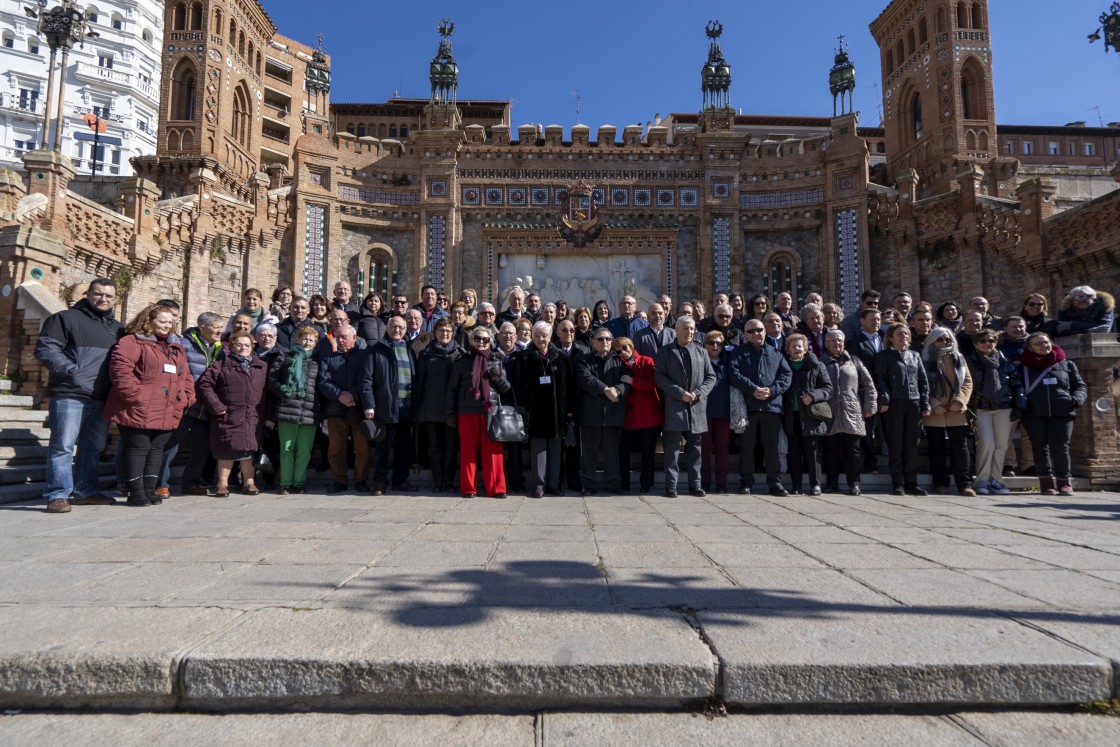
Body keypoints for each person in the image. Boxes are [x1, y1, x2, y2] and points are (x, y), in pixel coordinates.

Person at [35, 278, 124, 513]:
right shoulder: (65, 318)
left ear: (115, 299)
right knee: (63, 445)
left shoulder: (117, 328)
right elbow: (46, 348)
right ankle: (57, 494)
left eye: (108, 295)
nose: (103, 299)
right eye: (98, 294)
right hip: (70, 392)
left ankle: (85, 491)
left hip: (101, 396)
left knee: (93, 447)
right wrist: (71, 370)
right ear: (88, 294)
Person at [102, 305, 195, 507]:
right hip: (137, 407)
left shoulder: (175, 347)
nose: (167, 326)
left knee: (156, 449)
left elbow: (186, 376)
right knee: (138, 448)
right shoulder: (132, 342)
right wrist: (136, 396)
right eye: (163, 321)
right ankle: (135, 493)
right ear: (148, 320)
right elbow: (120, 369)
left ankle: (148, 490)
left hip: (167, 407)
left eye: (170, 322)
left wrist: (186, 398)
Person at [197, 330, 268, 497]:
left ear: (252, 347)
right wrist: (216, 405)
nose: (243, 347)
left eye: (247, 345)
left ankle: (249, 482)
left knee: (248, 450)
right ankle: (222, 484)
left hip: (253, 415)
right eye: (238, 344)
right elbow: (204, 385)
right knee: (226, 450)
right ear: (231, 346)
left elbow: (267, 392)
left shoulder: (261, 366)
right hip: (228, 414)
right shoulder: (221, 364)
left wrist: (267, 415)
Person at [446, 326, 512, 498]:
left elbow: (506, 389)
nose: (481, 342)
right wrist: (450, 412)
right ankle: (469, 488)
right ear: (471, 340)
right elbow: (452, 389)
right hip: (467, 411)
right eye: (477, 338)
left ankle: (497, 488)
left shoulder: (497, 360)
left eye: (485, 339)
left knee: (494, 451)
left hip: (491, 411)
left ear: (491, 340)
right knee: (468, 451)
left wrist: (497, 376)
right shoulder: (461, 361)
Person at [729, 319, 792, 496]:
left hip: (771, 407)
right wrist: (753, 389)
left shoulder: (776, 353)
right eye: (751, 331)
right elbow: (734, 374)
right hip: (748, 408)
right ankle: (746, 482)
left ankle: (775, 483)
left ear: (765, 331)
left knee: (772, 447)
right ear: (745, 334)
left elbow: (786, 376)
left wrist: (771, 391)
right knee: (747, 447)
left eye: (759, 330)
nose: (756, 333)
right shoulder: (738, 353)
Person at [1018, 332, 1086, 496]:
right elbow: (1017, 387)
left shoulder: (1067, 364)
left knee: (1061, 447)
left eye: (1046, 342)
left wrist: (1075, 399)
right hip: (1034, 412)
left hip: (1062, 411)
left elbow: (1080, 386)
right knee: (1040, 448)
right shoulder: (1022, 367)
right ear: (1030, 348)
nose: (1044, 346)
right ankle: (1046, 482)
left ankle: (1064, 482)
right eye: (1038, 344)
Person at [655, 316, 716, 498]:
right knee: (672, 449)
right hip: (675, 406)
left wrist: (698, 393)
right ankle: (671, 486)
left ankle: (695, 485)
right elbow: (660, 377)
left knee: (695, 449)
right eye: (686, 329)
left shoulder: (701, 351)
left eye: (692, 329)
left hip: (696, 406)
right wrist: (679, 392)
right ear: (676, 330)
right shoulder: (665, 352)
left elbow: (711, 377)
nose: (689, 332)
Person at [510, 321, 570, 497]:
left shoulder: (560, 356)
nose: (541, 339)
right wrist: (525, 405)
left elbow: (569, 384)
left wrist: (570, 407)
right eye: (537, 335)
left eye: (544, 335)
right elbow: (518, 384)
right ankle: (539, 484)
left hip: (557, 411)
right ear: (532, 337)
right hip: (535, 411)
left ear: (550, 336)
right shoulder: (524, 357)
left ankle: (554, 483)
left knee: (556, 449)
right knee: (538, 449)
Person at [362, 315, 419, 495]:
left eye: (401, 328)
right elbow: (366, 379)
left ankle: (400, 480)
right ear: (387, 328)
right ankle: (379, 483)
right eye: (394, 327)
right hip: (385, 406)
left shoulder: (409, 348)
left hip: (406, 406)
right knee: (383, 448)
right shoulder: (376, 349)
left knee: (403, 447)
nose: (397, 330)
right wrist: (369, 405)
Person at [875, 323, 930, 496]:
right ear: (891, 338)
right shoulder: (883, 356)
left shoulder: (915, 356)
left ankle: (912, 483)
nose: (904, 337)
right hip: (894, 403)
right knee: (896, 444)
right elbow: (880, 379)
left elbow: (923, 380)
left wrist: (925, 402)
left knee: (912, 445)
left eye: (906, 334)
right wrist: (884, 398)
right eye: (899, 334)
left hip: (913, 402)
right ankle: (897, 483)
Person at [575, 327, 630, 495]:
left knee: (612, 452)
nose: (605, 342)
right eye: (601, 339)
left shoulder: (619, 360)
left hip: (613, 414)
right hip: (591, 415)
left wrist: (619, 391)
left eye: (607, 339)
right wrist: (605, 389)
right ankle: (589, 485)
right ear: (593, 342)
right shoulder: (584, 359)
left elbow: (627, 380)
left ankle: (614, 483)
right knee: (589, 454)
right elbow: (584, 378)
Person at [821, 330, 877, 496]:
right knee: (830, 450)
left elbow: (868, 385)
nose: (836, 343)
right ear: (826, 344)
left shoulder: (855, 362)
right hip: (829, 412)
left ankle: (854, 483)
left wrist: (870, 407)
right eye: (832, 341)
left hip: (852, 411)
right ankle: (832, 483)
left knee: (853, 451)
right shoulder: (820, 362)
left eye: (839, 340)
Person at [921, 328, 975, 496]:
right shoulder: (924, 359)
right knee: (936, 448)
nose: (945, 342)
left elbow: (967, 382)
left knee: (960, 448)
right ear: (932, 341)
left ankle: (964, 483)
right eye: (940, 339)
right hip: (934, 411)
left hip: (956, 410)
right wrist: (933, 403)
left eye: (948, 339)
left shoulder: (959, 359)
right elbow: (920, 383)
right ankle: (940, 483)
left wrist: (959, 401)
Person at [267, 325, 320, 495]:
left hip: (310, 412)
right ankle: (285, 483)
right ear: (298, 339)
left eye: (311, 340)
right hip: (287, 409)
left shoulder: (317, 361)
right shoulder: (285, 356)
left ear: (315, 343)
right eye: (304, 338)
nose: (307, 342)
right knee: (287, 449)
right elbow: (271, 379)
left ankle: (299, 482)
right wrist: (282, 389)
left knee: (304, 450)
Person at [318, 324, 370, 493]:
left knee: (362, 448)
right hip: (335, 409)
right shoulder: (328, 358)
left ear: (354, 338)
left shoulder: (363, 356)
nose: (340, 340)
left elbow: (366, 378)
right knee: (336, 449)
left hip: (358, 408)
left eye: (344, 337)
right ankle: (339, 480)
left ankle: (360, 479)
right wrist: (340, 394)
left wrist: (352, 395)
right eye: (338, 337)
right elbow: (323, 382)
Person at [966, 329, 1018, 496]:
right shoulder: (969, 362)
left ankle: (996, 480)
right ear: (975, 344)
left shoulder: (1004, 362)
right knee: (986, 443)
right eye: (983, 341)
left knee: (1002, 445)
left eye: (991, 341)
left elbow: (1016, 383)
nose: (987, 344)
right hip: (981, 406)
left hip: (1004, 405)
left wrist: (1020, 404)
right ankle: (981, 480)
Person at [177, 311, 224, 495]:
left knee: (201, 447)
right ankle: (158, 482)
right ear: (202, 327)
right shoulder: (185, 344)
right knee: (171, 444)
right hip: (186, 404)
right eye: (216, 326)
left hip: (205, 407)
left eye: (221, 326)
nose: (220, 330)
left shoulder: (219, 349)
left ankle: (190, 482)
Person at [414, 318, 461, 493]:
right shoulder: (427, 354)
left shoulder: (459, 353)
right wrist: (419, 407)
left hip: (451, 410)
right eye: (442, 330)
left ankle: (448, 480)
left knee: (450, 446)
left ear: (453, 333)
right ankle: (437, 480)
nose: (445, 334)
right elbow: (420, 382)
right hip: (431, 407)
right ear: (435, 333)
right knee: (434, 447)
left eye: (449, 330)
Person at [781, 334, 832, 495]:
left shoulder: (817, 365)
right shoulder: (784, 365)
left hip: (811, 415)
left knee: (812, 452)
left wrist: (813, 395)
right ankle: (796, 485)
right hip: (790, 415)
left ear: (805, 348)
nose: (797, 349)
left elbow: (827, 388)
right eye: (793, 346)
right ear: (788, 349)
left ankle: (815, 484)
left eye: (799, 346)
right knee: (794, 452)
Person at [616, 336, 661, 494]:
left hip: (648, 415)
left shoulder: (646, 361)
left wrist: (632, 380)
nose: (623, 351)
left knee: (648, 453)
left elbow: (652, 383)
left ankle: (646, 484)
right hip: (628, 416)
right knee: (623, 451)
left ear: (631, 346)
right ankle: (624, 484)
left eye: (625, 347)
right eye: (619, 350)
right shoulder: (618, 364)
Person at [700, 330, 733, 493]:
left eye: (719, 343)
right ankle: (705, 481)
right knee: (704, 448)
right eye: (711, 342)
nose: (715, 346)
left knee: (722, 448)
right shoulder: (700, 361)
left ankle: (721, 483)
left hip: (724, 411)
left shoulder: (728, 362)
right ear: (704, 344)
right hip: (704, 411)